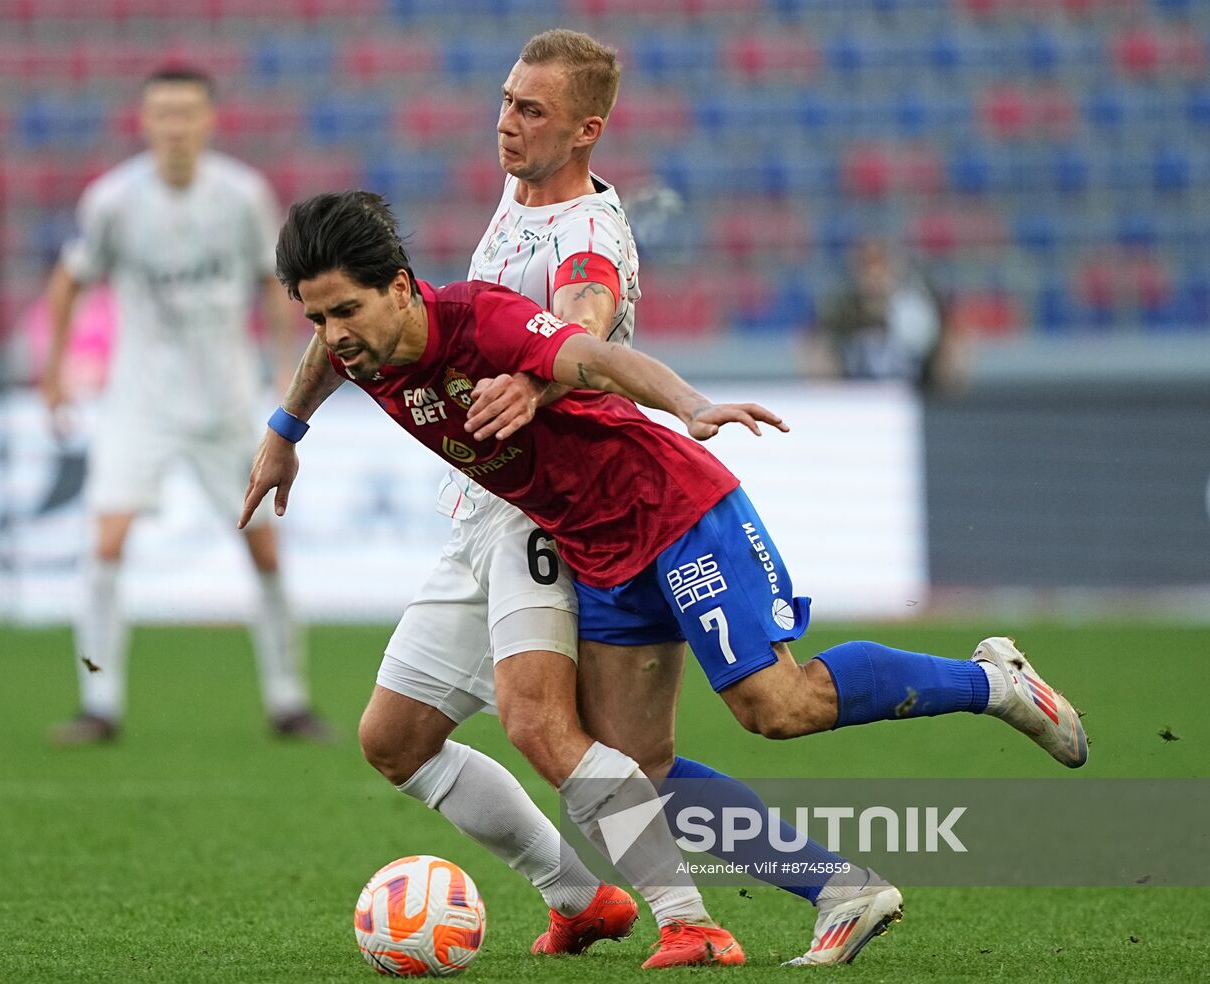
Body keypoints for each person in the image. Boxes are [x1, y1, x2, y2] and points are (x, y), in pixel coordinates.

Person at [243, 189, 1091, 957]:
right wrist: (285, 431)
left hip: (674, 511)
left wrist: (692, 406)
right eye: (317, 316)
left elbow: (598, 356)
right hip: (597, 551)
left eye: (346, 311)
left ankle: (992, 682)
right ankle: (840, 890)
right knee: (636, 766)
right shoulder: (359, 346)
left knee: (776, 708)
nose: (334, 336)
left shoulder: (483, 323)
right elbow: (323, 356)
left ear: (399, 287)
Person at [268, 31, 901, 967]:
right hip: (480, 500)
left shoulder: (587, 238)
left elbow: (585, 330)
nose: (507, 124)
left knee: (563, 726)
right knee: (397, 740)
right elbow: (350, 311)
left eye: (531, 111)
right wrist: (284, 431)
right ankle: (586, 897)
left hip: (549, 506)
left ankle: (696, 916)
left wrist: (554, 387)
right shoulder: (520, 197)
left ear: (586, 130)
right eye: (506, 101)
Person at [41, 65, 326, 744]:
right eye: (162, 113)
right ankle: (99, 701)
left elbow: (273, 283)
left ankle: (289, 700)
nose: (175, 125)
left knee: (264, 552)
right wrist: (51, 373)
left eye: (187, 112)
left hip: (226, 402)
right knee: (106, 545)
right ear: (145, 123)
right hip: (140, 401)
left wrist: (286, 371)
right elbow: (69, 280)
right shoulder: (113, 200)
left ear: (208, 120)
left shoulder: (241, 195)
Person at [808, 237, 961, 395]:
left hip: (912, 399)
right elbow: (819, 351)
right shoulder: (841, 311)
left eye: (881, 268)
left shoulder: (917, 309)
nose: (875, 278)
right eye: (867, 269)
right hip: (858, 403)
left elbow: (945, 355)